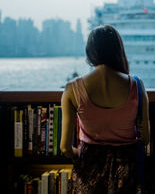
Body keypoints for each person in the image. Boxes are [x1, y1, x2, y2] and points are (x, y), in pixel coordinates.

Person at [60, 24, 150, 194]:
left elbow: (65, 148)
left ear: (90, 52)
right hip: (126, 172)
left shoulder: (72, 88)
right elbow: (145, 139)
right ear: (118, 50)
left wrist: (78, 154)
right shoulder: (136, 85)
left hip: (89, 170)